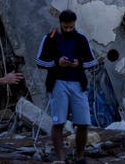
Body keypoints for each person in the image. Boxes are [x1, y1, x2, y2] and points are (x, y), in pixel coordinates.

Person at [35, 10, 97, 164]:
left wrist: (79, 64)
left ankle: (79, 157)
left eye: (71, 27)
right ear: (60, 24)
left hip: (78, 84)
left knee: (83, 122)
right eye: (66, 27)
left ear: (74, 24)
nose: (68, 30)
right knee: (58, 122)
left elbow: (93, 62)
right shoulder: (50, 38)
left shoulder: (81, 39)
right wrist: (57, 62)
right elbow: (39, 62)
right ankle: (61, 159)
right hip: (58, 84)